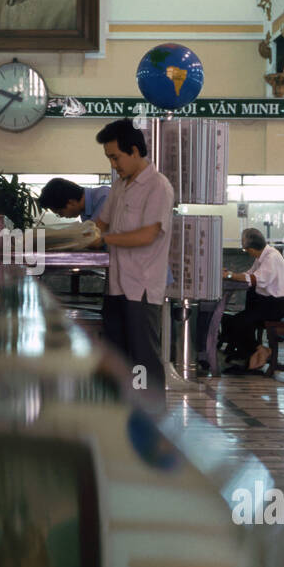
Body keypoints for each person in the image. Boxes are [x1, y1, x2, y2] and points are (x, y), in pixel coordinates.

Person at [90, 119, 175, 408]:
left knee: (143, 361)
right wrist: (76, 238)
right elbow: (100, 224)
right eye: (109, 158)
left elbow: (149, 234)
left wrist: (106, 240)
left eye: (116, 157)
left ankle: (151, 424)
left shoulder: (158, 187)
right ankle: (122, 419)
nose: (114, 164)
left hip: (142, 289)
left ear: (135, 150)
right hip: (116, 287)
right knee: (119, 357)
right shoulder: (119, 186)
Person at [220, 228, 284, 371]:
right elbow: (249, 273)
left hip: (274, 305)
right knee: (228, 321)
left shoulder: (271, 257)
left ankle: (257, 353)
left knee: (238, 322)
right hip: (264, 304)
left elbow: (255, 279)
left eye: (246, 249)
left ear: (252, 248)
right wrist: (231, 274)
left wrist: (229, 276)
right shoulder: (262, 257)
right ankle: (253, 352)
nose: (246, 252)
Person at [38, 177, 109, 223]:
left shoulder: (104, 197)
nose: (62, 216)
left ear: (71, 203)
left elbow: (95, 237)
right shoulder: (83, 211)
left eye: (60, 213)